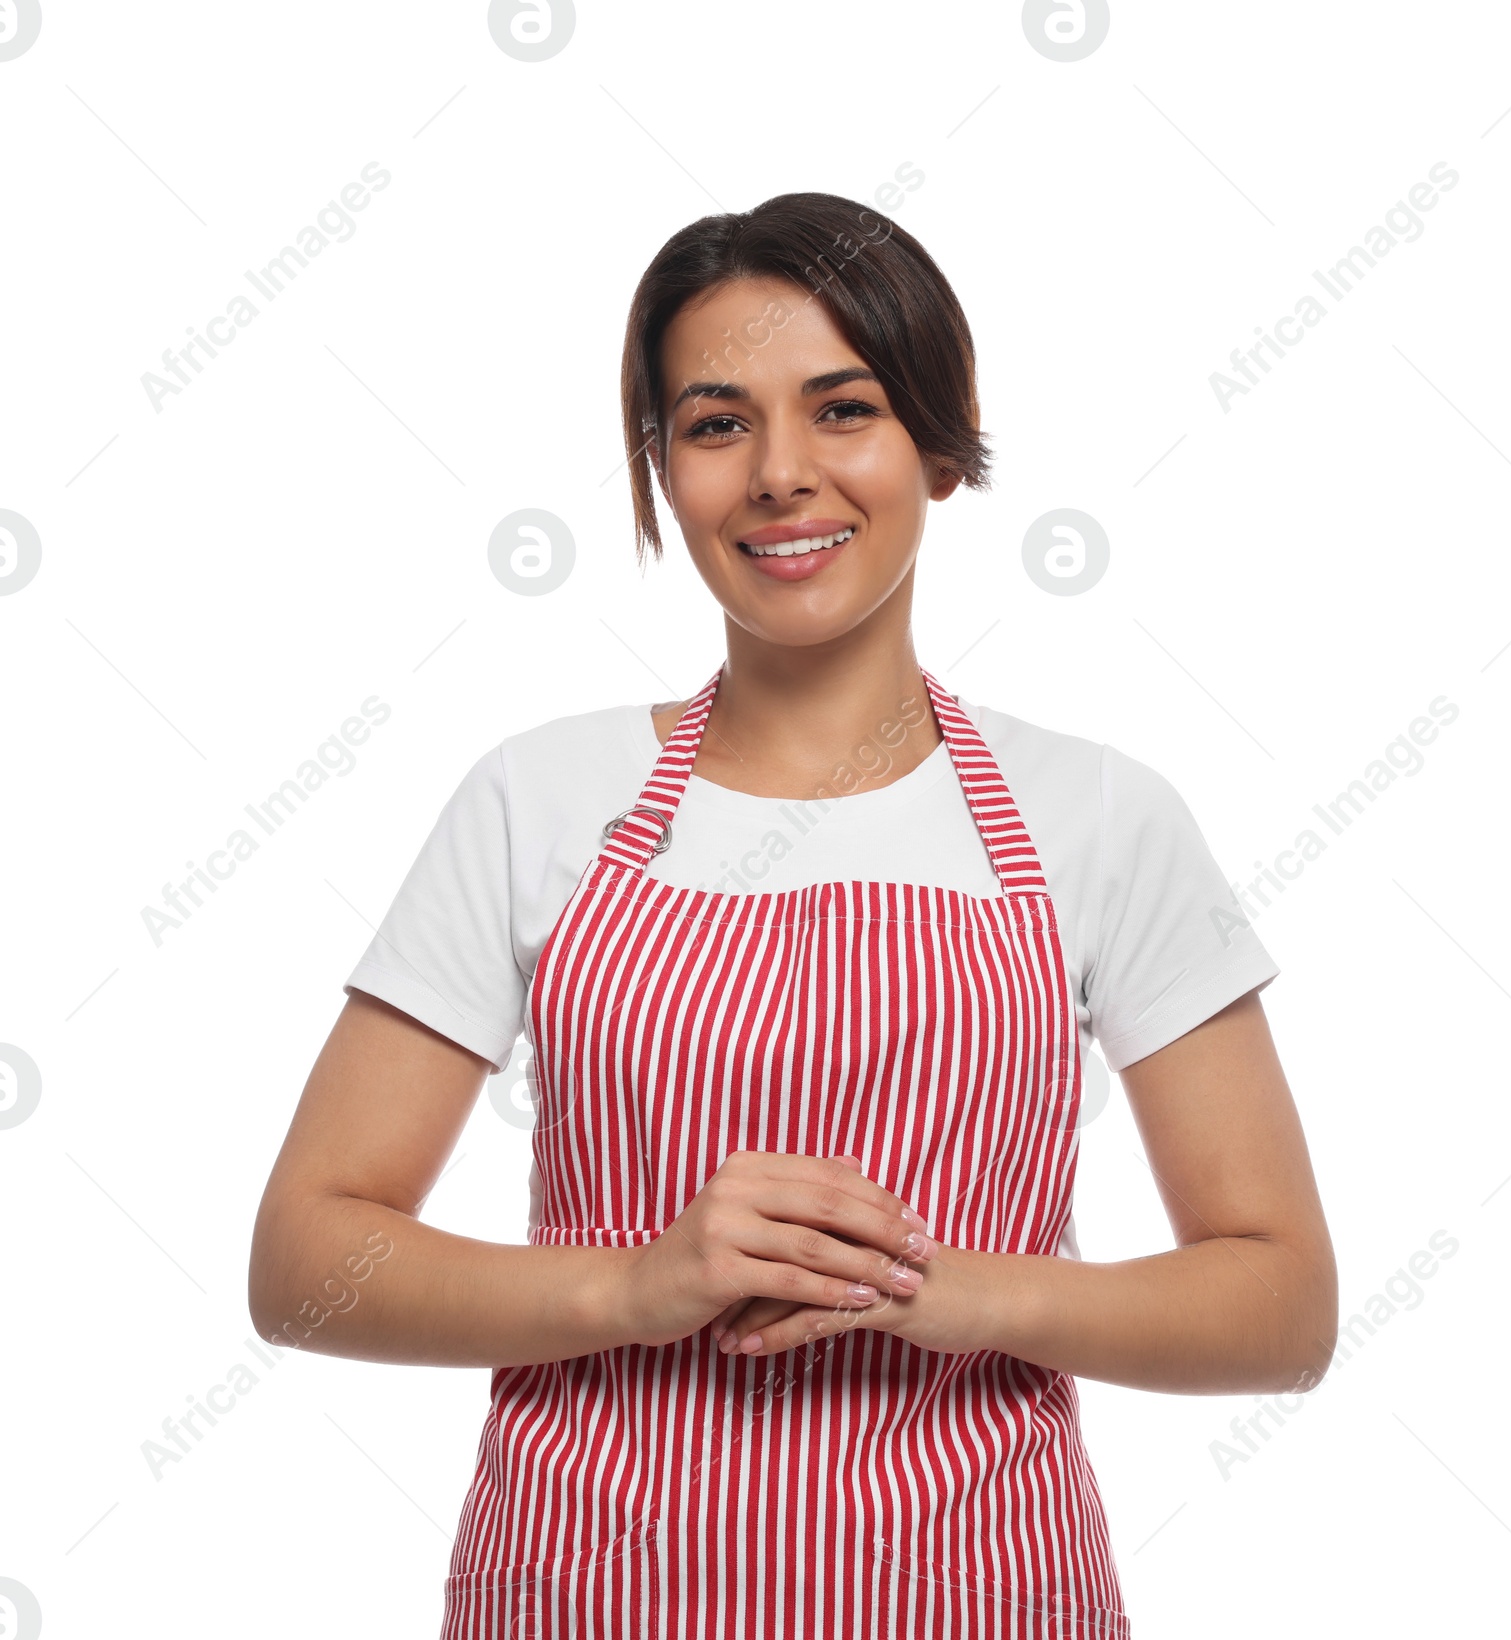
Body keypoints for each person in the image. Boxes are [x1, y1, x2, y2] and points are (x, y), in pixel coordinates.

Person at [249, 191, 1337, 1638]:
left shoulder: (1101, 817)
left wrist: (957, 1291)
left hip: (985, 1596)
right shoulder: (538, 797)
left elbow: (1282, 1307)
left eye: (845, 409)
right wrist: (636, 1287)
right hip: (583, 1595)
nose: (780, 474)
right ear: (661, 471)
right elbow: (306, 1265)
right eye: (714, 425)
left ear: (938, 448)